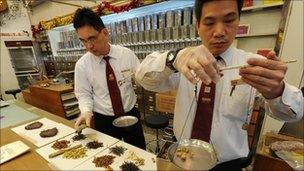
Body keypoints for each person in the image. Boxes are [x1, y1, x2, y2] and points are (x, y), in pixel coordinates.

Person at [135, 0, 303, 170]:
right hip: (184, 155)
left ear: (239, 20)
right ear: (197, 26)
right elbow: (143, 78)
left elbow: (294, 115)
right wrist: (174, 58)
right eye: (209, 22)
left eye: (229, 20)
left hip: (228, 164)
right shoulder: (185, 62)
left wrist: (276, 91)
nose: (220, 32)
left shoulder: (253, 65)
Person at [73, 8, 146, 149]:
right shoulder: (82, 65)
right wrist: (86, 111)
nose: (89, 46)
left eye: (92, 38)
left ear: (105, 33)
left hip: (130, 114)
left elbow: (141, 79)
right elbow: (83, 94)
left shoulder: (126, 55)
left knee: (139, 152)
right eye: (83, 41)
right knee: (110, 157)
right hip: (104, 120)